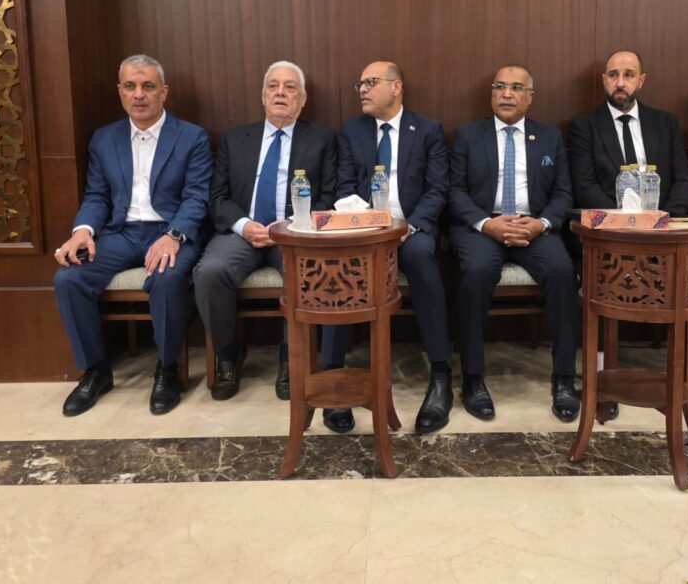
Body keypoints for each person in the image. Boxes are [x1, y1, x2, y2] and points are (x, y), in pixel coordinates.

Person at [567, 50, 688, 422]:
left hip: (668, 229)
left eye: (629, 74)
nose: (620, 82)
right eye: (613, 75)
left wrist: (662, 219)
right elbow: (585, 186)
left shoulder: (664, 123)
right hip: (613, 231)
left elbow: (684, 180)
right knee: (595, 262)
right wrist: (631, 221)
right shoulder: (585, 126)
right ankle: (602, 371)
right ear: (604, 80)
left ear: (641, 80)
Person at [53, 54, 212, 416]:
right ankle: (95, 371)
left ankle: (166, 370)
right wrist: (82, 231)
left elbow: (197, 196)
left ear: (163, 92)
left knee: (167, 278)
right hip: (120, 234)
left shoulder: (192, 137)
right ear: (120, 91)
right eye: (130, 86)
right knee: (68, 279)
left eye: (148, 86)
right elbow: (96, 196)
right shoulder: (104, 139)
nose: (139, 94)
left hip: (170, 232)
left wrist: (174, 235)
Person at [192, 61, 341, 411]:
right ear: (262, 96)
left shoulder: (322, 139)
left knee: (304, 272)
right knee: (210, 272)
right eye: (273, 86)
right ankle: (228, 355)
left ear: (302, 99)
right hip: (241, 231)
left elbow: (329, 198)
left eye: (290, 87)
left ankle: (291, 359)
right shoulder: (234, 139)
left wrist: (288, 226)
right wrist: (244, 225)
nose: (280, 93)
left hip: (293, 232)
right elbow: (217, 196)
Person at [324, 61, 453, 434]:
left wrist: (409, 227)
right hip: (363, 230)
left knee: (421, 256)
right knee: (339, 263)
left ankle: (440, 373)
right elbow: (344, 187)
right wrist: (366, 225)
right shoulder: (351, 131)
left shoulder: (427, 129)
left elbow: (437, 189)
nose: (362, 89)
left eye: (371, 82)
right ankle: (334, 375)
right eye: (360, 84)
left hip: (412, 227)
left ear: (396, 87)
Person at [448, 64, 580, 422]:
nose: (507, 94)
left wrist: (541, 224)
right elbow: (455, 191)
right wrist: (486, 223)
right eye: (500, 86)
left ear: (530, 96)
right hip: (483, 226)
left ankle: (564, 378)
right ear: (492, 93)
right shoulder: (468, 135)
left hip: (532, 226)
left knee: (562, 271)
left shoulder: (550, 137)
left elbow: (563, 193)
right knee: (476, 271)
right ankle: (473, 378)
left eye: (516, 87)